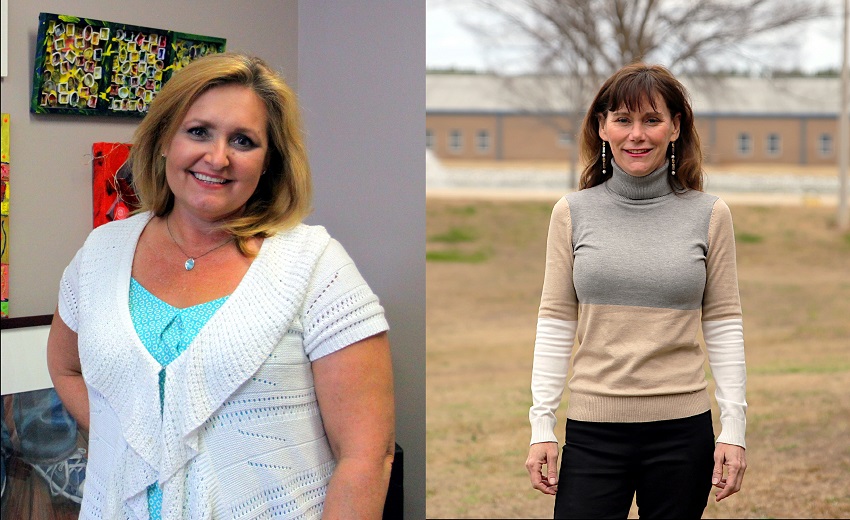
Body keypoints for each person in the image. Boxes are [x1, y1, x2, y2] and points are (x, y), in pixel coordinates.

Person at [46, 53, 395, 519]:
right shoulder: (101, 252)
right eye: (198, 131)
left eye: (243, 140)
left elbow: (367, 456)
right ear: (165, 139)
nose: (218, 157)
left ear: (269, 161)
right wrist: (139, 438)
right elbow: (67, 368)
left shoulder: (315, 266)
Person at [525, 63, 747, 518]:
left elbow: (724, 325)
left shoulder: (710, 214)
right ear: (602, 126)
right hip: (592, 428)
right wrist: (542, 425)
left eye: (652, 119)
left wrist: (734, 429)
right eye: (623, 119)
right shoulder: (571, 213)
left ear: (675, 127)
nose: (637, 135)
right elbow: (555, 323)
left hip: (682, 433)